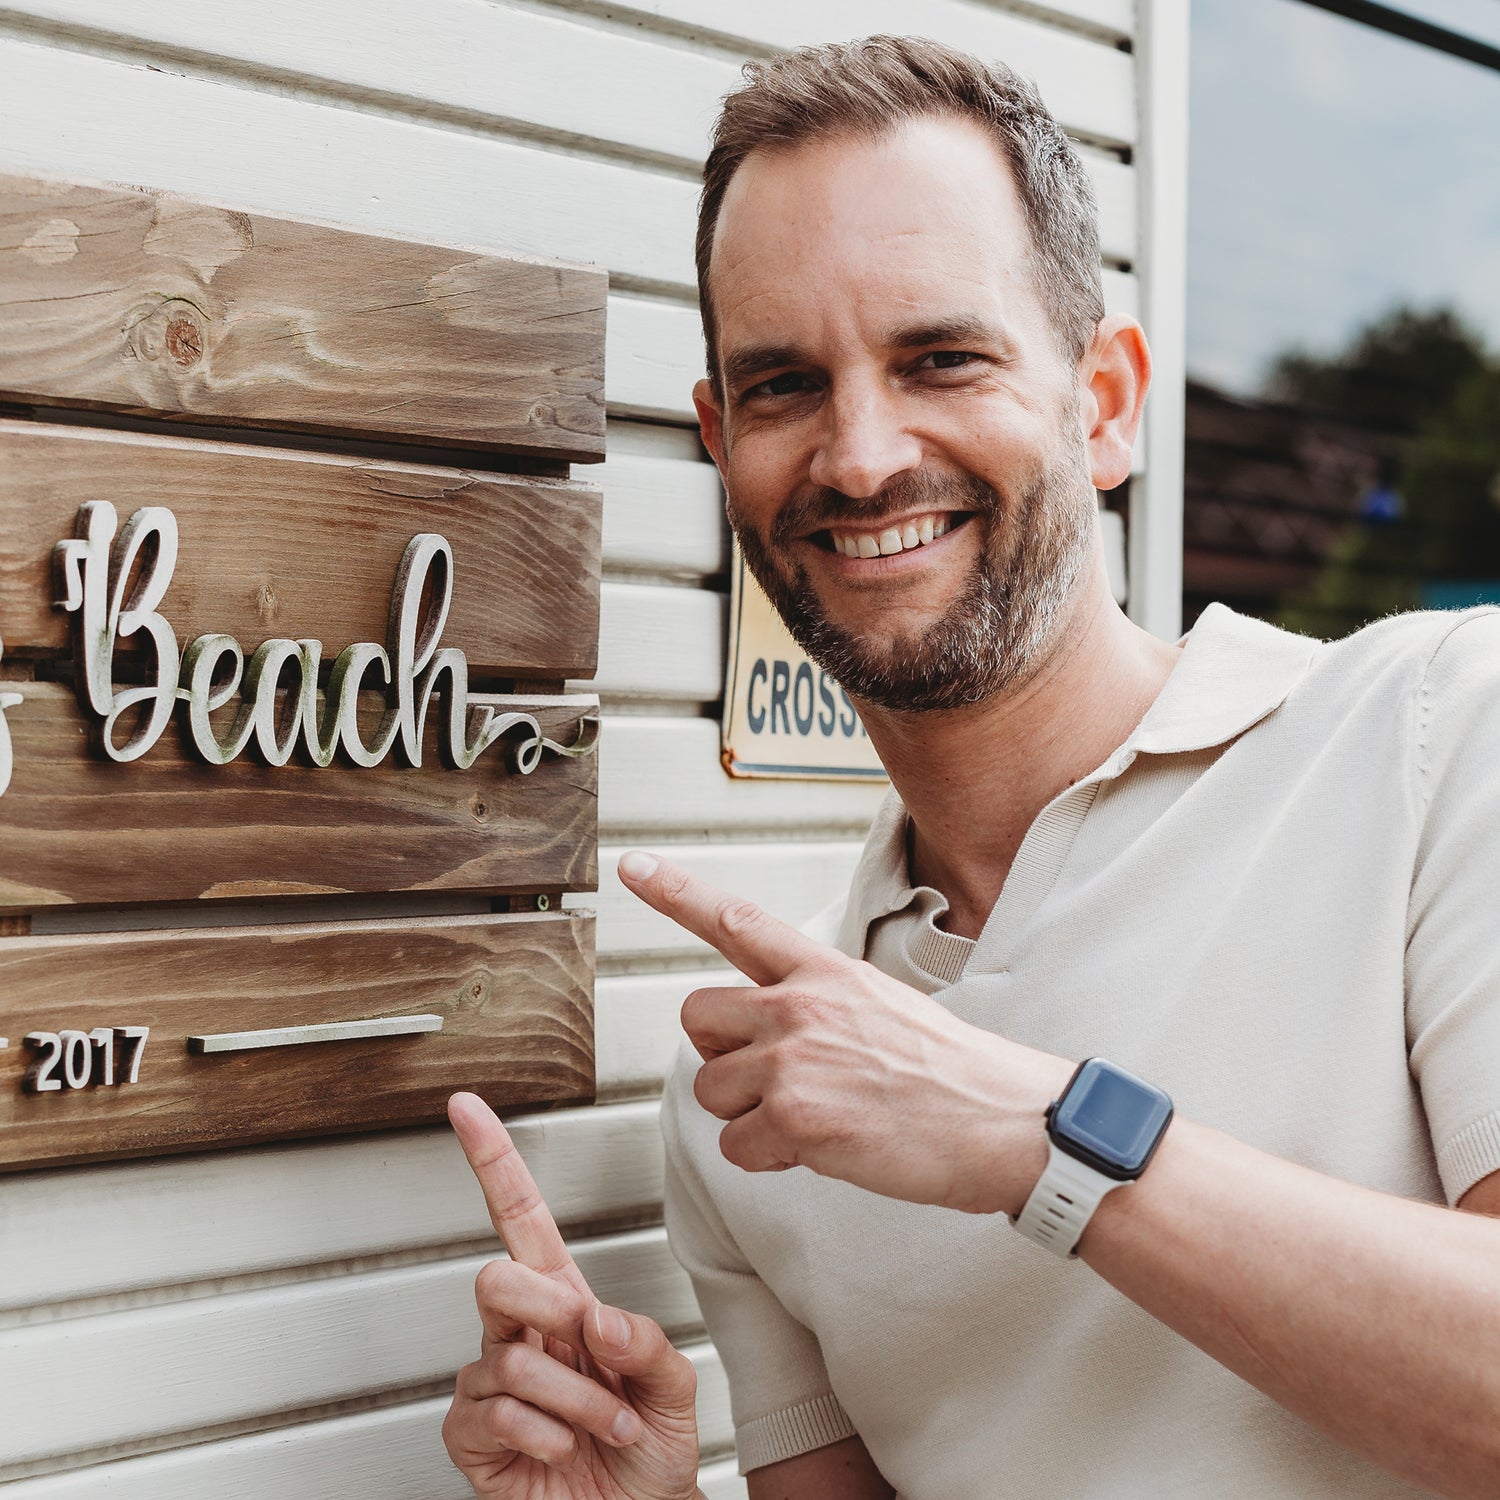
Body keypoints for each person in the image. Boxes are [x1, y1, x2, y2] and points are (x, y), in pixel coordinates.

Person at [440, 36, 1500, 1500]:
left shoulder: (1443, 734)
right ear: (721, 444)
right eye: (786, 385)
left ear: (1107, 399)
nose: (863, 457)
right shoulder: (755, 1078)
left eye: (942, 357)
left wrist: (1036, 1136)